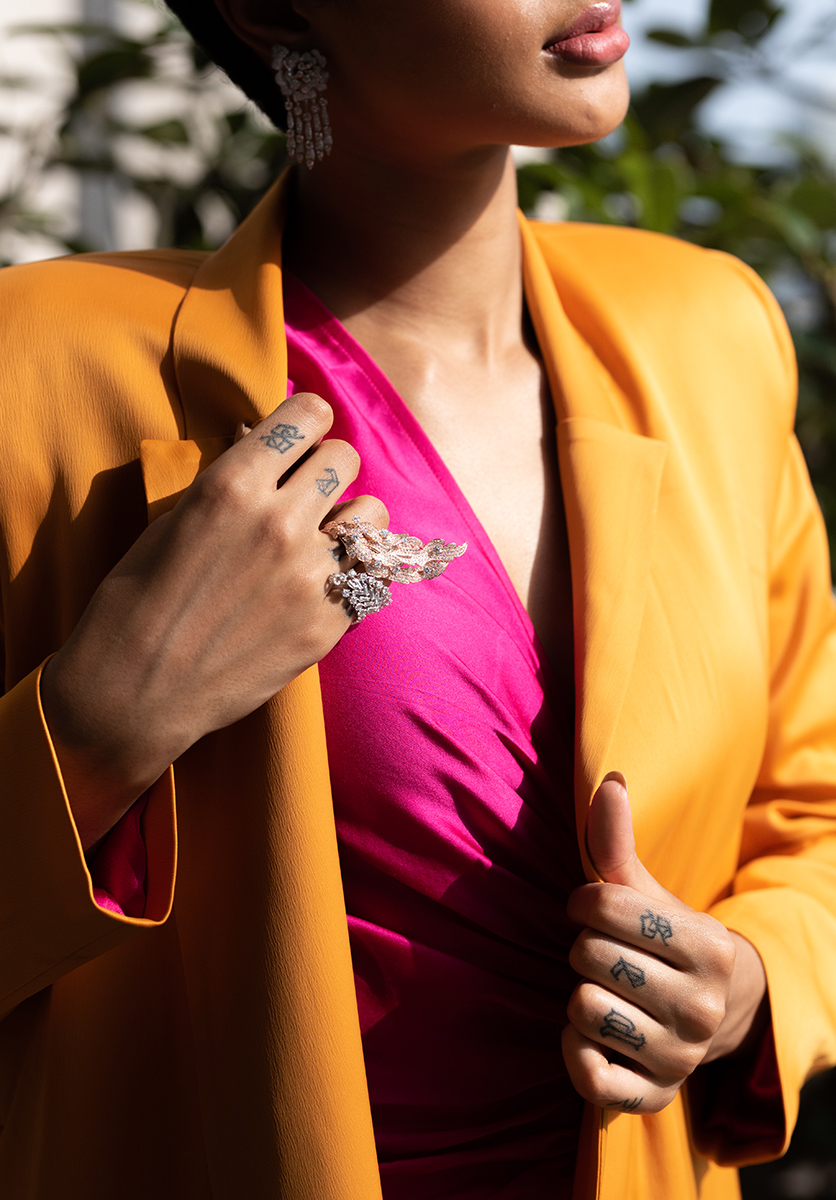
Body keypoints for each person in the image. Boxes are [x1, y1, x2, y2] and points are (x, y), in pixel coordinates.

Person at [1, 0, 835, 1196]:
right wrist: (95, 728)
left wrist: (750, 977)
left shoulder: (711, 334)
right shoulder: (39, 369)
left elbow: (811, 813)